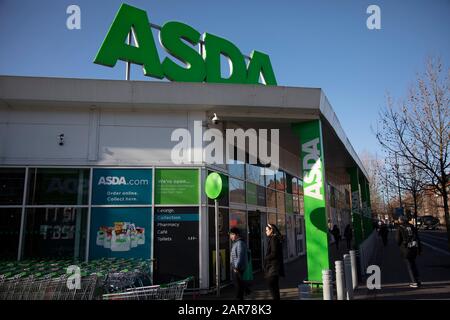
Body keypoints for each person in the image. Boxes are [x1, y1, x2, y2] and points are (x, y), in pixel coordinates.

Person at [396, 216, 422, 288]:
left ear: (401, 221)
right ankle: (418, 280)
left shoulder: (400, 228)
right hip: (414, 248)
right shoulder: (412, 226)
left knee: (409, 266)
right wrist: (419, 249)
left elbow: (398, 241)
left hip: (406, 249)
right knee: (414, 264)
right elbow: (417, 238)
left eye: (399, 220)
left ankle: (414, 282)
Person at [263, 223, 285, 300]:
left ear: (271, 230)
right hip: (275, 267)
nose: (265, 232)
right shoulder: (275, 238)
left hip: (273, 267)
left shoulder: (273, 239)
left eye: (266, 230)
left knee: (272, 287)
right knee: (275, 288)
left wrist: (266, 258)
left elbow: (274, 253)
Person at [229, 227, 249, 300]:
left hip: (238, 268)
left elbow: (240, 256)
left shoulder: (240, 243)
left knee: (238, 287)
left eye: (232, 234)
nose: (231, 236)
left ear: (236, 234)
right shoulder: (236, 243)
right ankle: (246, 291)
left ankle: (241, 296)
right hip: (236, 268)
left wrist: (236, 268)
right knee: (239, 285)